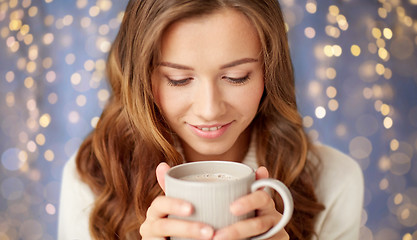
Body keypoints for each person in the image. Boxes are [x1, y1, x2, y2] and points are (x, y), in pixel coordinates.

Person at [58, 0, 364, 239]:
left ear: (270, 73)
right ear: (141, 78)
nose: (209, 110)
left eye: (236, 77)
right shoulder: (92, 179)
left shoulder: (335, 180)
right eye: (178, 79)